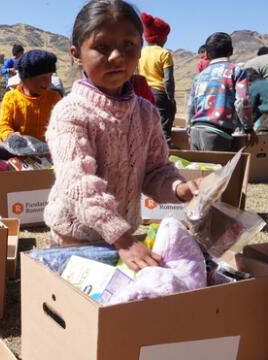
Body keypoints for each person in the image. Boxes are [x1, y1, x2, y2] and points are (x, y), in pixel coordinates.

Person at [44, 0, 199, 272]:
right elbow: (79, 185)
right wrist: (122, 238)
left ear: (140, 48)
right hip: (76, 239)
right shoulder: (70, 112)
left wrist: (179, 188)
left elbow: (155, 170)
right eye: (102, 47)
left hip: (122, 239)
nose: (117, 56)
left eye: (128, 44)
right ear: (76, 54)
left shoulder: (145, 112)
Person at [187, 32, 257, 151]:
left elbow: (190, 107)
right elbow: (242, 101)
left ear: (207, 54)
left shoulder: (199, 76)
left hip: (195, 132)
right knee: (218, 169)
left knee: (200, 168)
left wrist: (189, 130)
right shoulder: (236, 71)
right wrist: (248, 128)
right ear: (231, 51)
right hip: (217, 134)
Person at [0, 49, 62, 142]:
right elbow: (4, 126)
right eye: (43, 78)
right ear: (26, 78)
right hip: (20, 152)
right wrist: (10, 136)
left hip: (48, 153)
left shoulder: (54, 98)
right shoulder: (11, 98)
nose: (49, 82)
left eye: (50, 76)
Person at [137, 12, 175, 146]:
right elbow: (168, 80)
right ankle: (165, 154)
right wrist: (171, 99)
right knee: (163, 127)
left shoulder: (140, 52)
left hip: (142, 94)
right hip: (159, 95)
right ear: (161, 37)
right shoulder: (164, 53)